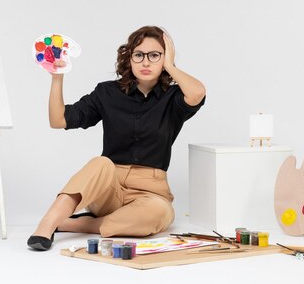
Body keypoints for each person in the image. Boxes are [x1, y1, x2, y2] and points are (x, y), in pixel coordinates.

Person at [27, 26, 206, 251]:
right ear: (129, 58)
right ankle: (47, 225)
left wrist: (170, 66)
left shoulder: (174, 98)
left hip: (150, 192)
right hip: (108, 187)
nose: (146, 62)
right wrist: (57, 78)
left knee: (160, 214)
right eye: (138, 55)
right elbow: (59, 120)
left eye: (155, 55)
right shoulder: (107, 92)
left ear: (165, 58)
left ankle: (77, 224)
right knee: (100, 163)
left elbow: (198, 93)